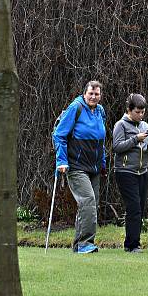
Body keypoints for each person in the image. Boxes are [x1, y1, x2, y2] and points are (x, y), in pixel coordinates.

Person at [53, 80, 107, 254]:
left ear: (100, 95)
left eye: (96, 94)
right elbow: (59, 135)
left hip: (95, 167)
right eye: (90, 93)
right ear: (85, 93)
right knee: (88, 201)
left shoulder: (100, 111)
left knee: (91, 205)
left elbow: (102, 139)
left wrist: (103, 161)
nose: (93, 96)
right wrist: (61, 161)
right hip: (76, 166)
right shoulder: (75, 108)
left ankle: (79, 245)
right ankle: (85, 243)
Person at [112, 93, 148, 253]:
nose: (140, 115)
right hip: (125, 172)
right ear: (129, 110)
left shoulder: (144, 126)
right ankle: (131, 245)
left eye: (142, 112)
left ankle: (134, 243)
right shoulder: (121, 125)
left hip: (142, 172)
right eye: (137, 112)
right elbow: (116, 147)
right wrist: (135, 140)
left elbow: (146, 148)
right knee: (134, 208)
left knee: (140, 207)